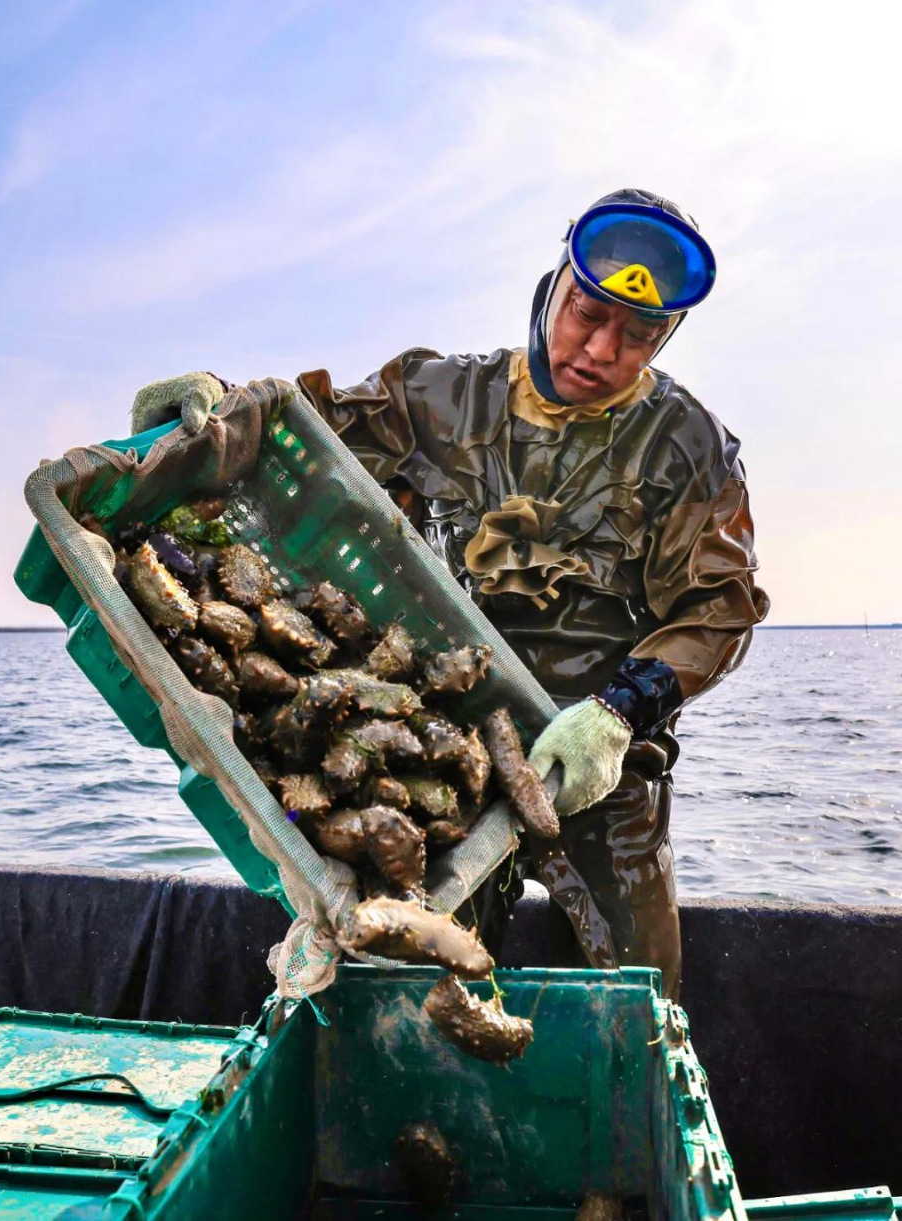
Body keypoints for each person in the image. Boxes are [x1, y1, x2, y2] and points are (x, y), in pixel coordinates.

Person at [130, 188, 769, 999]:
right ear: (552, 288)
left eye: (636, 334)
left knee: (640, 1000)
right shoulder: (437, 395)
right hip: (455, 748)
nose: (600, 348)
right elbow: (304, 429)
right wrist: (218, 400)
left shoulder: (688, 445)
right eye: (586, 312)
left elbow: (719, 605)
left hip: (602, 767)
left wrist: (619, 713)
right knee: (421, 990)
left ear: (665, 336)